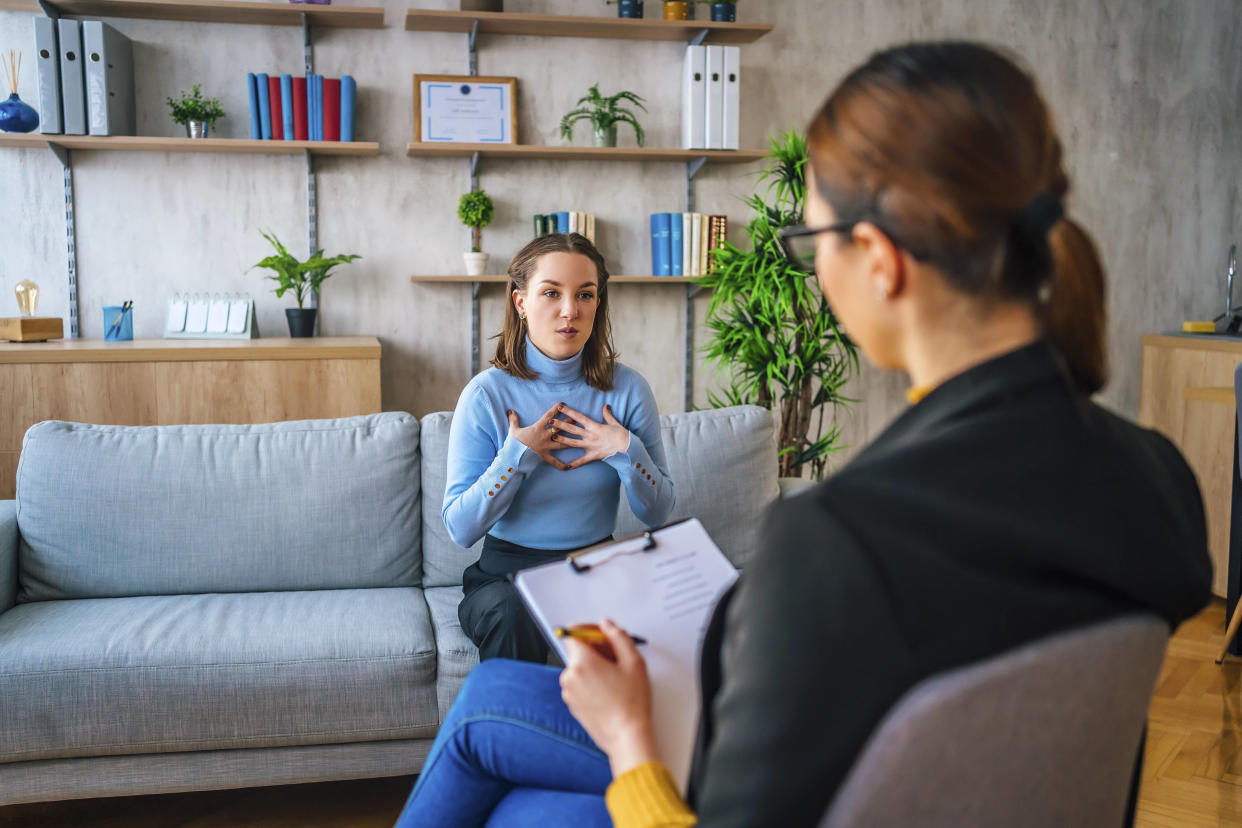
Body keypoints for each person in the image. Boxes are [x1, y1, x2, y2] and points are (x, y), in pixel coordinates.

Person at [396, 41, 1212, 828]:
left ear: (880, 261)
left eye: (811, 242)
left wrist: (631, 741)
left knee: (487, 735)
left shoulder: (836, 539)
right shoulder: (1160, 480)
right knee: (520, 805)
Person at [443, 232, 675, 664]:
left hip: (595, 570)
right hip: (504, 578)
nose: (570, 310)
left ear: (598, 304)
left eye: (585, 295)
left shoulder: (628, 390)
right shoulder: (485, 395)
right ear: (521, 302)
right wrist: (516, 457)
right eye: (551, 293)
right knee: (513, 615)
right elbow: (460, 529)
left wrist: (626, 451)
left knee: (662, 617)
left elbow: (658, 512)